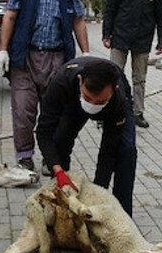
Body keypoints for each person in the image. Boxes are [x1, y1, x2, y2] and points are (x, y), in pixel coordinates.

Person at [0, 0, 90, 173]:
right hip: (25, 58)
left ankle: (51, 158)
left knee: (54, 113)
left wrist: (86, 54)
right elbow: (10, 16)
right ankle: (25, 157)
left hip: (57, 58)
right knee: (23, 111)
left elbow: (78, 20)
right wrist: (3, 50)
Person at [36, 57, 137, 216]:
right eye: (88, 98)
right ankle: (63, 203)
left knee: (125, 151)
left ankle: (122, 215)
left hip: (113, 109)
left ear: (114, 88)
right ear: (80, 80)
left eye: (100, 101)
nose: (93, 105)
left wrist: (97, 192)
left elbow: (108, 151)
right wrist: (58, 170)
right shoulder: (61, 83)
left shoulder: (118, 99)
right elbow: (44, 132)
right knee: (60, 140)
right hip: (74, 103)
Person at [103, 0, 162, 129]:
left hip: (142, 40)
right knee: (114, 75)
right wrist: (106, 34)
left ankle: (137, 112)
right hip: (120, 38)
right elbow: (110, 9)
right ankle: (110, 111)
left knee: (139, 79)